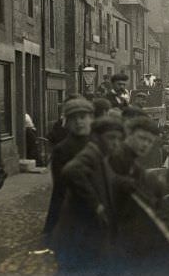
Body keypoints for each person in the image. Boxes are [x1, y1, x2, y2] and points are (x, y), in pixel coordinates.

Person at [52, 116, 125, 274]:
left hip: (83, 236)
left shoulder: (102, 157)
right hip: (76, 237)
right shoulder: (92, 153)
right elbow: (71, 170)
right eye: (111, 138)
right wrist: (96, 205)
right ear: (97, 138)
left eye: (119, 139)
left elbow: (109, 180)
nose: (115, 143)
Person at [43, 97, 94, 238]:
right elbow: (61, 187)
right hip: (73, 209)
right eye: (73, 119)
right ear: (67, 123)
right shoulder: (62, 150)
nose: (79, 122)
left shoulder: (98, 144)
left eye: (83, 117)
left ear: (91, 119)